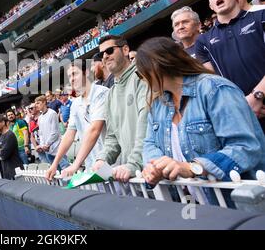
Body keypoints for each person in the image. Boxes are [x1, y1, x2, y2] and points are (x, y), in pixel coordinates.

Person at [138, 37, 265, 204]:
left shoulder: (215, 89)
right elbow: (149, 144)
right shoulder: (158, 105)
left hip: (239, 203)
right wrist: (155, 166)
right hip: (195, 205)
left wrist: (193, 167)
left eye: (140, 72)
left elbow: (245, 147)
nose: (140, 78)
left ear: (157, 65)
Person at [195, 0, 265, 132]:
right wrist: (241, 105)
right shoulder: (203, 41)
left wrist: (257, 96)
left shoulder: (262, 17)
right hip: (243, 115)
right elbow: (213, 84)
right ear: (211, 5)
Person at [92, 35, 148, 182]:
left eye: (109, 50)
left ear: (125, 50)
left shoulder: (142, 76)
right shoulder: (111, 94)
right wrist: (102, 159)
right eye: (101, 54)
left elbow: (147, 126)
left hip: (152, 170)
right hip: (131, 174)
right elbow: (112, 136)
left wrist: (133, 164)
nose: (105, 56)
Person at [45, 60, 108, 180]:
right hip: (91, 163)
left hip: (109, 162)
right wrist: (55, 164)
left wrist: (75, 165)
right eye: (69, 76)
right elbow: (69, 134)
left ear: (86, 73)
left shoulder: (102, 93)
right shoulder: (75, 104)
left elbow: (95, 130)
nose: (72, 79)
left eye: (75, 74)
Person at [35, 95, 70, 170]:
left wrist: (47, 144)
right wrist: (42, 145)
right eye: (36, 103)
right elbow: (40, 133)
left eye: (38, 103)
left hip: (57, 148)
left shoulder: (52, 113)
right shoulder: (40, 118)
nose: (36, 105)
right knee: (55, 172)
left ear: (44, 102)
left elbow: (55, 133)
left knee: (65, 169)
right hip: (47, 150)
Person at [0, 115, 24, 180]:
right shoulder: (0, 137)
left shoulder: (10, 135)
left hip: (15, 172)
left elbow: (3, 155)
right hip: (7, 172)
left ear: (3, 123)